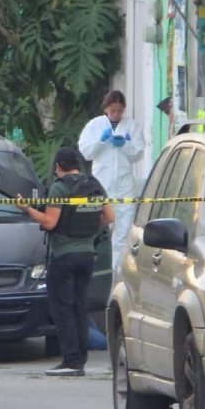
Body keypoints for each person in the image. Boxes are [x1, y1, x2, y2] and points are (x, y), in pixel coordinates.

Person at [16, 147, 114, 376]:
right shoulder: (94, 184)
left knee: (62, 309)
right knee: (80, 307)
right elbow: (109, 217)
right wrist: (87, 231)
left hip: (64, 256)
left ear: (58, 166)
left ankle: (70, 361)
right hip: (88, 255)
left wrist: (27, 209)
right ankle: (80, 359)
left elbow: (50, 222)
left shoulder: (60, 187)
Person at [78, 91, 144, 273]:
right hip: (102, 185)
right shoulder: (95, 126)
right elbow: (86, 152)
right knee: (99, 229)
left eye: (120, 111)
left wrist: (125, 145)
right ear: (106, 108)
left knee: (123, 232)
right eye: (113, 111)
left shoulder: (131, 126)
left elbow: (138, 153)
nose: (116, 115)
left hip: (124, 185)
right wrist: (101, 141)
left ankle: (115, 273)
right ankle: (96, 269)